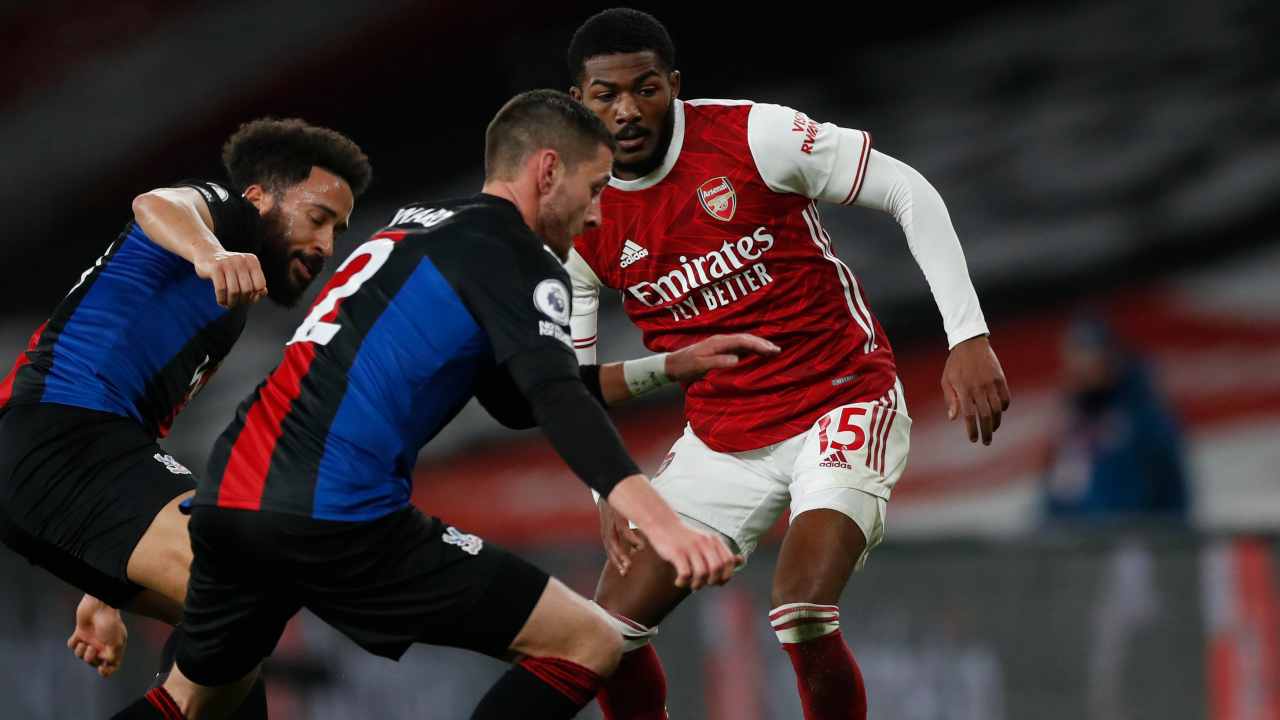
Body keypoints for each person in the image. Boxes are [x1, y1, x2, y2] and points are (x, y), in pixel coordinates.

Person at [110, 89, 761, 720]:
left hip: (232, 498)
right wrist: (662, 523)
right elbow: (555, 395)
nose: (596, 216)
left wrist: (666, 368)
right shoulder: (513, 254)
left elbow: (515, 401)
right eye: (594, 190)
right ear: (547, 170)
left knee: (191, 703)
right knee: (588, 641)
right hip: (336, 512)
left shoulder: (416, 227)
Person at [563, 9, 1012, 719]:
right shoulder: (576, 212)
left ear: (673, 85)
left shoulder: (752, 135)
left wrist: (968, 336)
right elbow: (573, 384)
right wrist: (606, 493)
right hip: (722, 440)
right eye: (605, 95)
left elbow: (908, 190)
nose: (626, 111)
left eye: (644, 89)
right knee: (601, 639)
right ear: (578, 101)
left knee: (800, 609)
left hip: (841, 399)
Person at [0, 117, 370, 715]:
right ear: (259, 198)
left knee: (236, 647)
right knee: (243, 581)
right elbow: (156, 204)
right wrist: (209, 252)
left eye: (338, 230)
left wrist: (101, 590)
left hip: (78, 455)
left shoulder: (226, 311)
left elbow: (141, 441)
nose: (326, 246)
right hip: (58, 430)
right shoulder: (223, 216)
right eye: (318, 218)